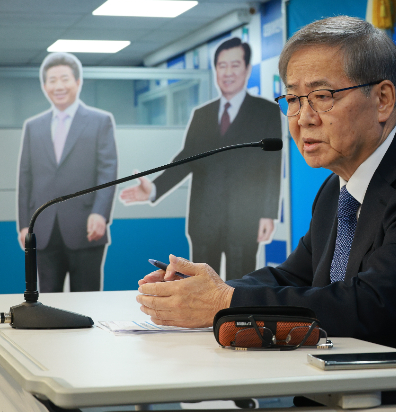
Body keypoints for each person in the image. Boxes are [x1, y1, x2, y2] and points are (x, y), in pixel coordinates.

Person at [136, 16, 396, 407]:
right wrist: (200, 289)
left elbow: (368, 306)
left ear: (383, 99)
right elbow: (291, 275)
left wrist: (223, 301)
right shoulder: (337, 188)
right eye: (294, 99)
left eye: (322, 96)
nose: (303, 119)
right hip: (346, 390)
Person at [120, 37, 282, 280]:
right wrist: (155, 188)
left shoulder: (266, 111)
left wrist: (268, 213)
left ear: (247, 69)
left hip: (244, 217)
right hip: (203, 219)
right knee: (200, 286)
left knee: (241, 286)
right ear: (215, 70)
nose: (228, 72)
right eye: (222, 66)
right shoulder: (202, 115)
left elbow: (272, 166)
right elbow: (186, 159)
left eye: (235, 65)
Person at [17, 52, 117, 293]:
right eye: (52, 80)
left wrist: (100, 214)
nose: (58, 86)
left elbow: (108, 170)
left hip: (86, 228)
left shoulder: (100, 121)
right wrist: (23, 224)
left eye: (64, 79)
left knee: (88, 303)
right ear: (44, 86)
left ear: (78, 82)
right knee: (48, 303)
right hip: (43, 229)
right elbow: (25, 178)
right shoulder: (33, 126)